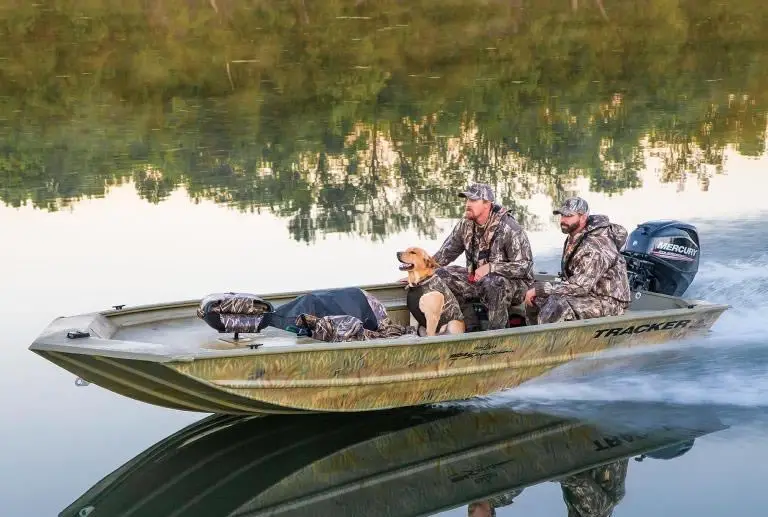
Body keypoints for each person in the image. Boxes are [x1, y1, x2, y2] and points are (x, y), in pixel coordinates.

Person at [432, 182, 534, 330]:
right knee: (440, 275)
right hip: (477, 279)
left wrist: (492, 267)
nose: (467, 204)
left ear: (487, 204)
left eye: (473, 200)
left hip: (514, 286)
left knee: (494, 283)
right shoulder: (465, 224)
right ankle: (470, 326)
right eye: (467, 200)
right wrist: (421, 270)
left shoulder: (509, 228)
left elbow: (525, 267)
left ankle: (497, 336)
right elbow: (445, 254)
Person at [524, 196, 631, 324]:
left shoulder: (597, 245)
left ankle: (547, 341)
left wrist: (543, 289)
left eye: (569, 216)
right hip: (588, 294)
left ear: (583, 217)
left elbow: (580, 286)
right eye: (562, 215)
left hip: (607, 301)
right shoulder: (575, 236)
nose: (563, 220)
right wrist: (539, 291)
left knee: (557, 305)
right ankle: (531, 335)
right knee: (536, 297)